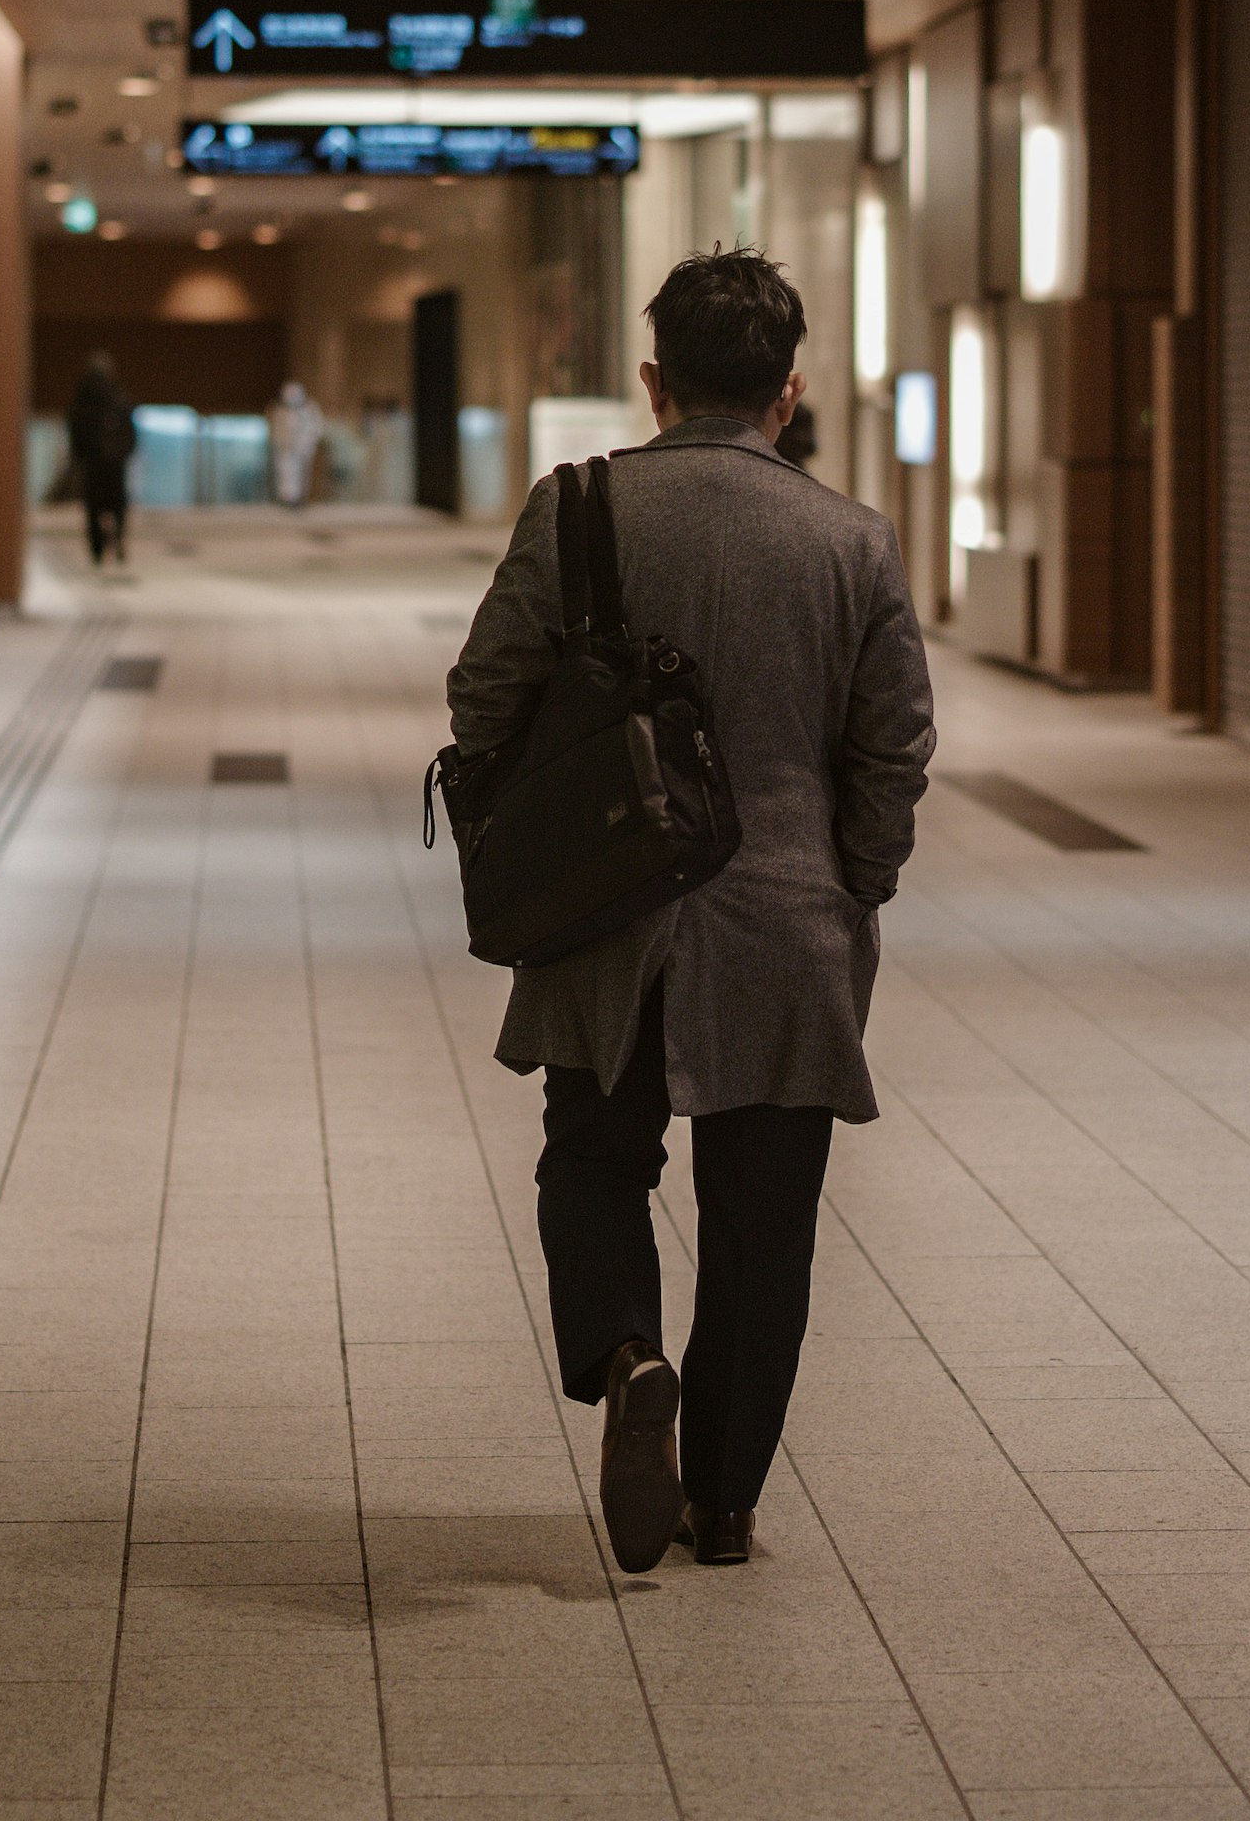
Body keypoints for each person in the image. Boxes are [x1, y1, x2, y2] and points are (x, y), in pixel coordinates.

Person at [445, 250, 933, 1573]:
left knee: (594, 1160)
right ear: (789, 390)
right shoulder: (851, 542)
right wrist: (851, 884)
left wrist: (527, 829)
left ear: (656, 381)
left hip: (607, 912)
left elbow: (481, 695)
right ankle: (722, 1504)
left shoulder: (580, 509)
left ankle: (626, 1351)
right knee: (764, 1223)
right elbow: (893, 752)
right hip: (785, 928)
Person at [66, 352, 136, 568]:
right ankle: (116, 541)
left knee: (94, 506)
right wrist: (124, 453)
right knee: (117, 504)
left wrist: (80, 457)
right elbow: (129, 432)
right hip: (113, 463)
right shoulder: (117, 397)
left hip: (93, 463)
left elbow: (75, 431)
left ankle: (98, 548)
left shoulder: (82, 399)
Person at [270, 378, 324, 509]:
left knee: (302, 473)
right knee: (286, 472)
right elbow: (276, 429)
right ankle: (288, 498)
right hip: (286, 448)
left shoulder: (310, 409)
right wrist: (277, 442)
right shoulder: (280, 411)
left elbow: (318, 427)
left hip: (304, 447)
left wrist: (311, 441)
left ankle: (300, 498)